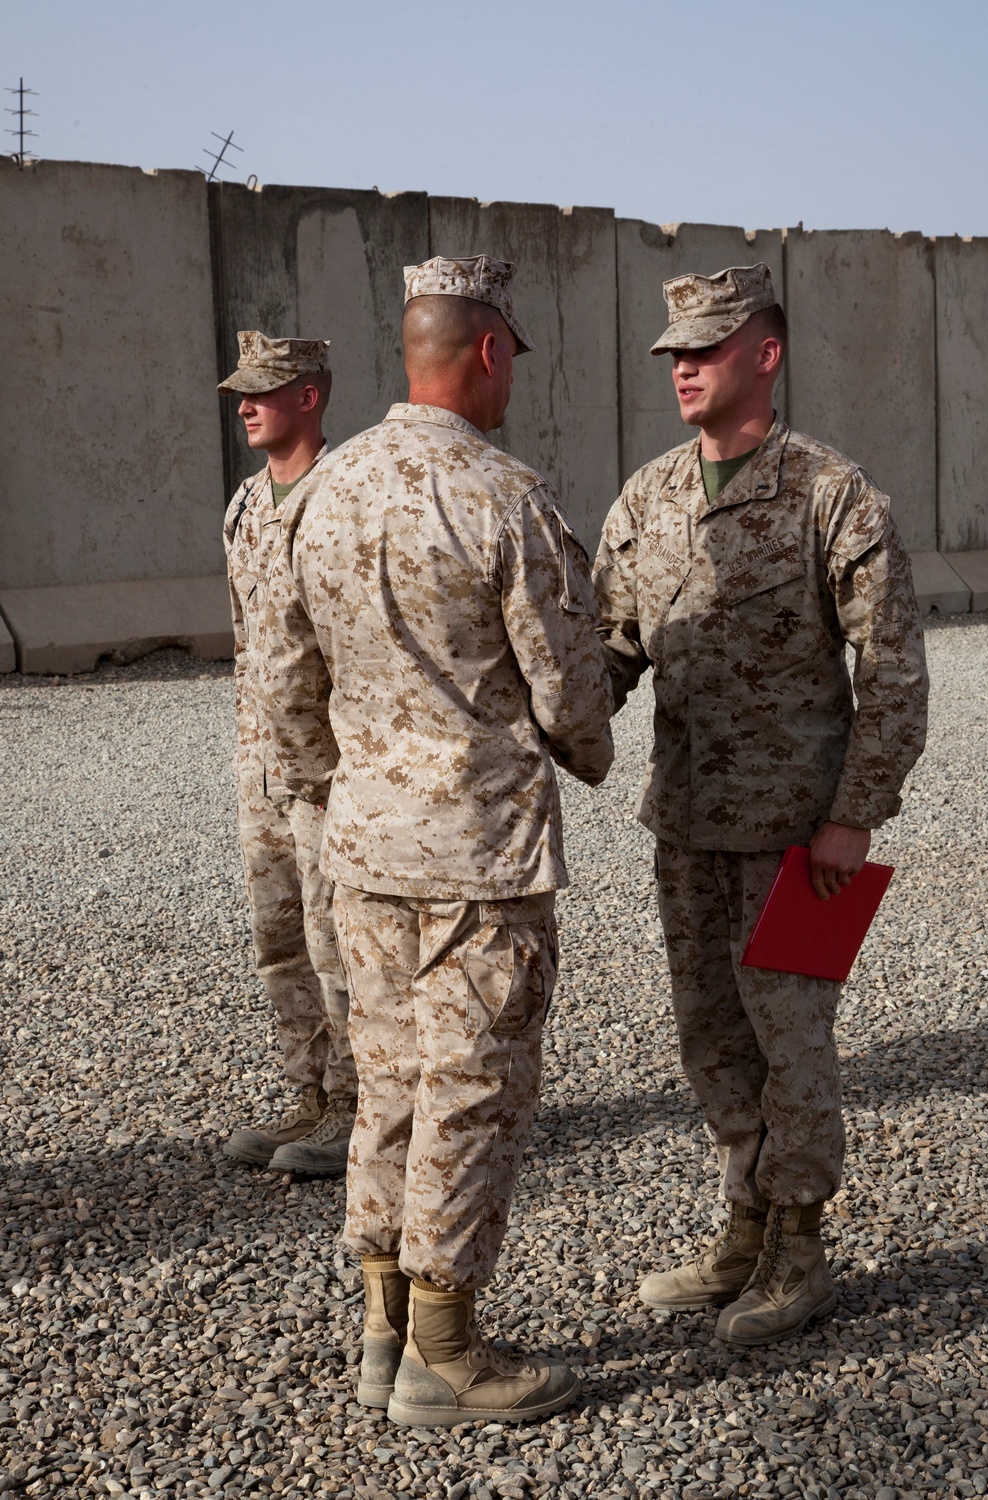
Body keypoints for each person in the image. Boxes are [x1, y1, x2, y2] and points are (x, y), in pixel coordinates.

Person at [262, 257, 614, 1426]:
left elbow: (284, 688)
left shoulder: (324, 493)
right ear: (490, 350)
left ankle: (380, 1331)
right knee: (471, 1092)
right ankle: (447, 1355)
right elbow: (569, 699)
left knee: (390, 1090)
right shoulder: (503, 495)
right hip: (478, 859)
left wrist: (342, 788)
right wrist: (590, 746)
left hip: (363, 851)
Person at [593, 264, 929, 1347]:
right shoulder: (645, 498)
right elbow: (607, 651)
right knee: (710, 1040)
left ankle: (799, 1243)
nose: (683, 368)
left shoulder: (830, 494)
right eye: (674, 353)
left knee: (795, 1041)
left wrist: (854, 813)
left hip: (799, 833)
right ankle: (743, 1221)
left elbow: (892, 669)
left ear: (765, 355)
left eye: (705, 348)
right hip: (685, 823)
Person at [219, 331, 357, 1176]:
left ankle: (357, 1106)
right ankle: (308, 1090)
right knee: (280, 938)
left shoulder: (348, 495)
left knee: (339, 938)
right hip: (261, 764)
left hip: (333, 766)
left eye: (264, 390)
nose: (245, 405)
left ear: (310, 395)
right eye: (241, 391)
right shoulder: (241, 505)